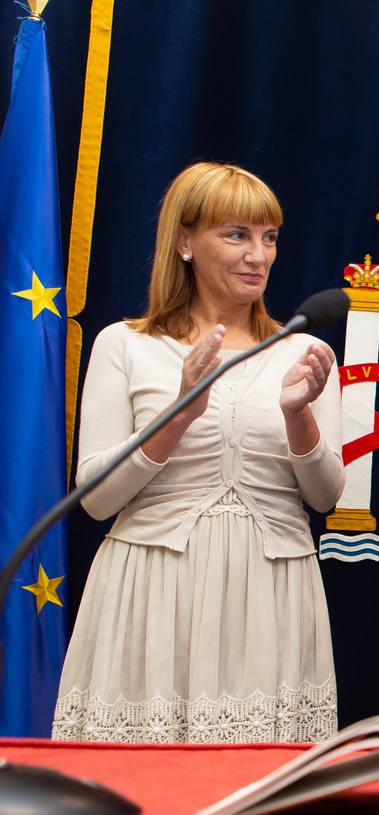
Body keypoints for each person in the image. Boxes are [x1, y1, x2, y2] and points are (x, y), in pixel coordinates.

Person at [52, 162, 344, 743]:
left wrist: (297, 414)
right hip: (153, 593)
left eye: (269, 237)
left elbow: (324, 496)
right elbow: (96, 499)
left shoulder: (306, 348)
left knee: (251, 799)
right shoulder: (126, 344)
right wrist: (179, 414)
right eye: (236, 235)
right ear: (185, 242)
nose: (257, 255)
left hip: (270, 598)